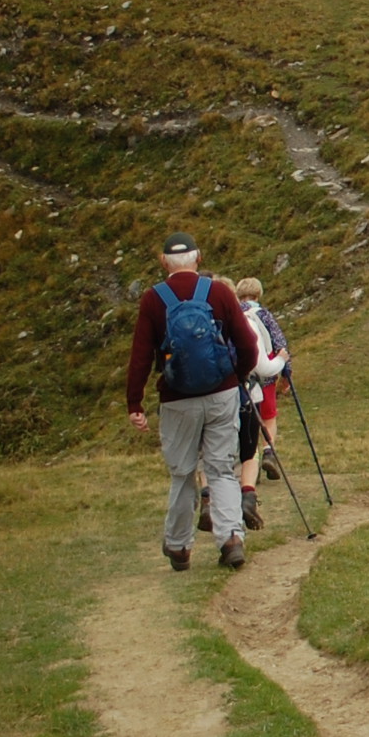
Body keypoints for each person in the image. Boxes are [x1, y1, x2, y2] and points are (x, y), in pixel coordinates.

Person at [127, 231, 262, 571]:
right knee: (221, 470)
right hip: (222, 394)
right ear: (198, 258)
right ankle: (231, 538)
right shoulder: (217, 291)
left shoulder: (152, 300)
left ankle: (179, 547)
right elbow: (247, 344)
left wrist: (135, 403)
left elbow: (141, 357)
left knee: (183, 473)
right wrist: (238, 377)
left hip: (177, 400)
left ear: (163, 263)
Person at [232, 277, 289, 531]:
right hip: (265, 377)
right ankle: (268, 452)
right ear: (259, 293)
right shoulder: (264, 315)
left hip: (242, 381)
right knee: (269, 417)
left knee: (248, 426)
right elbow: (279, 342)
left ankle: (248, 466)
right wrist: (286, 371)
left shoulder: (232, 314)